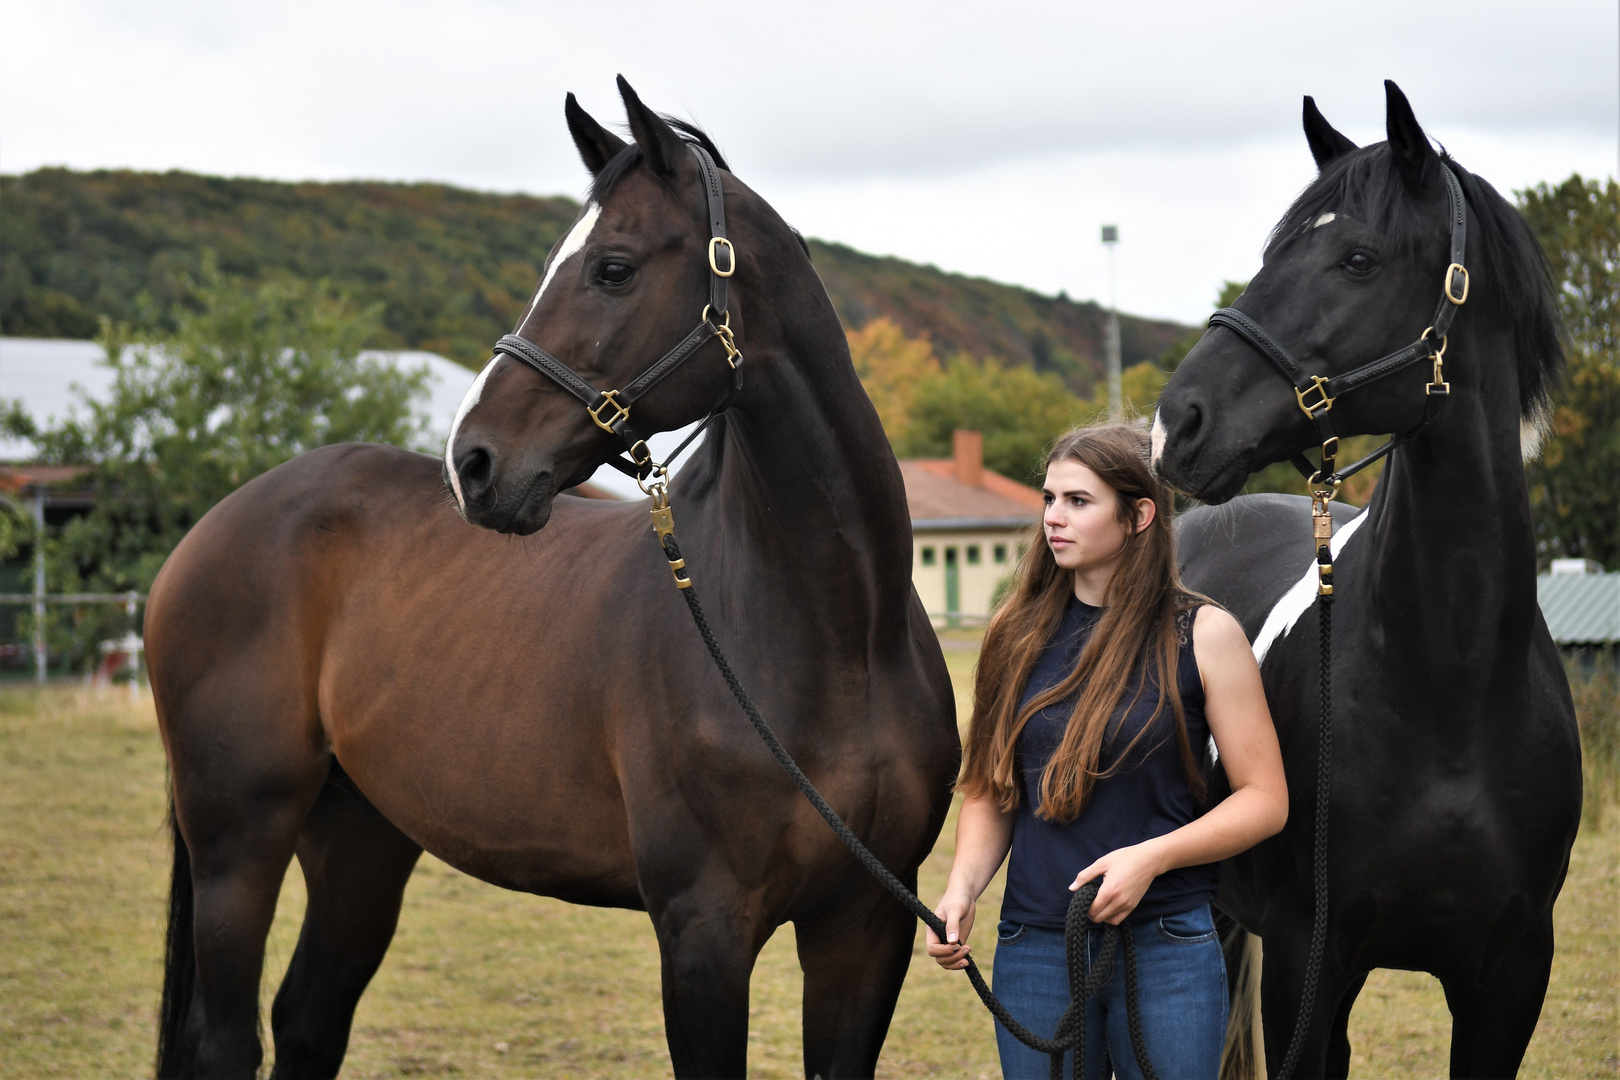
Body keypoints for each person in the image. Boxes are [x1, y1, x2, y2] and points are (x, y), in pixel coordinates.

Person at [926, 424, 1288, 1080]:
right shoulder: (1015, 635)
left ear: (1139, 515)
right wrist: (962, 887)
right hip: (1034, 947)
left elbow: (1265, 801)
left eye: (1077, 501)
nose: (1052, 518)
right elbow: (990, 787)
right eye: (1048, 499)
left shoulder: (1203, 635)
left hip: (1168, 948)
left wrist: (1153, 858)